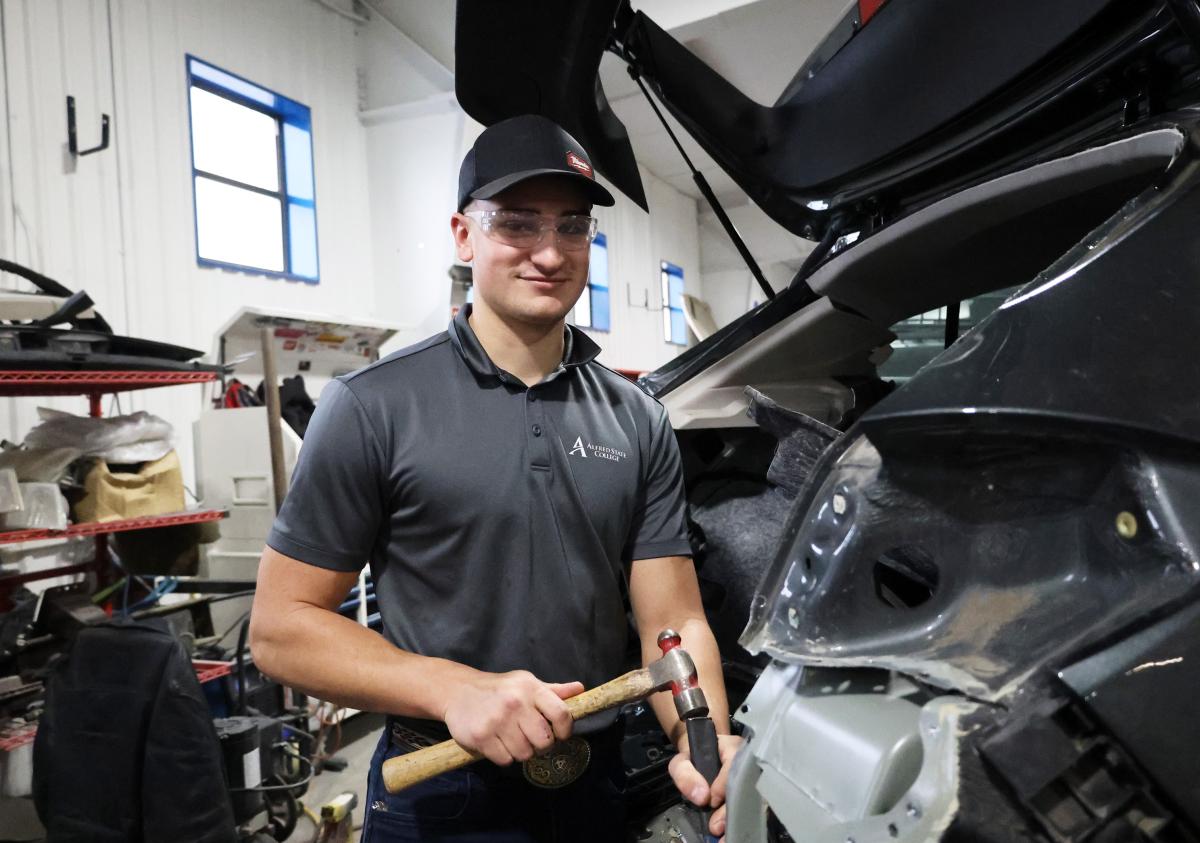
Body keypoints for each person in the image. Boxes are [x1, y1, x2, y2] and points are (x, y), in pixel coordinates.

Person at [249, 114, 741, 841]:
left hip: (596, 785)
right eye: (517, 222)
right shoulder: (372, 407)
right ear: (463, 235)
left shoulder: (637, 419)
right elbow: (280, 629)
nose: (550, 251)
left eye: (572, 227)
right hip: (441, 788)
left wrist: (705, 739)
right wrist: (453, 688)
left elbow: (676, 623)